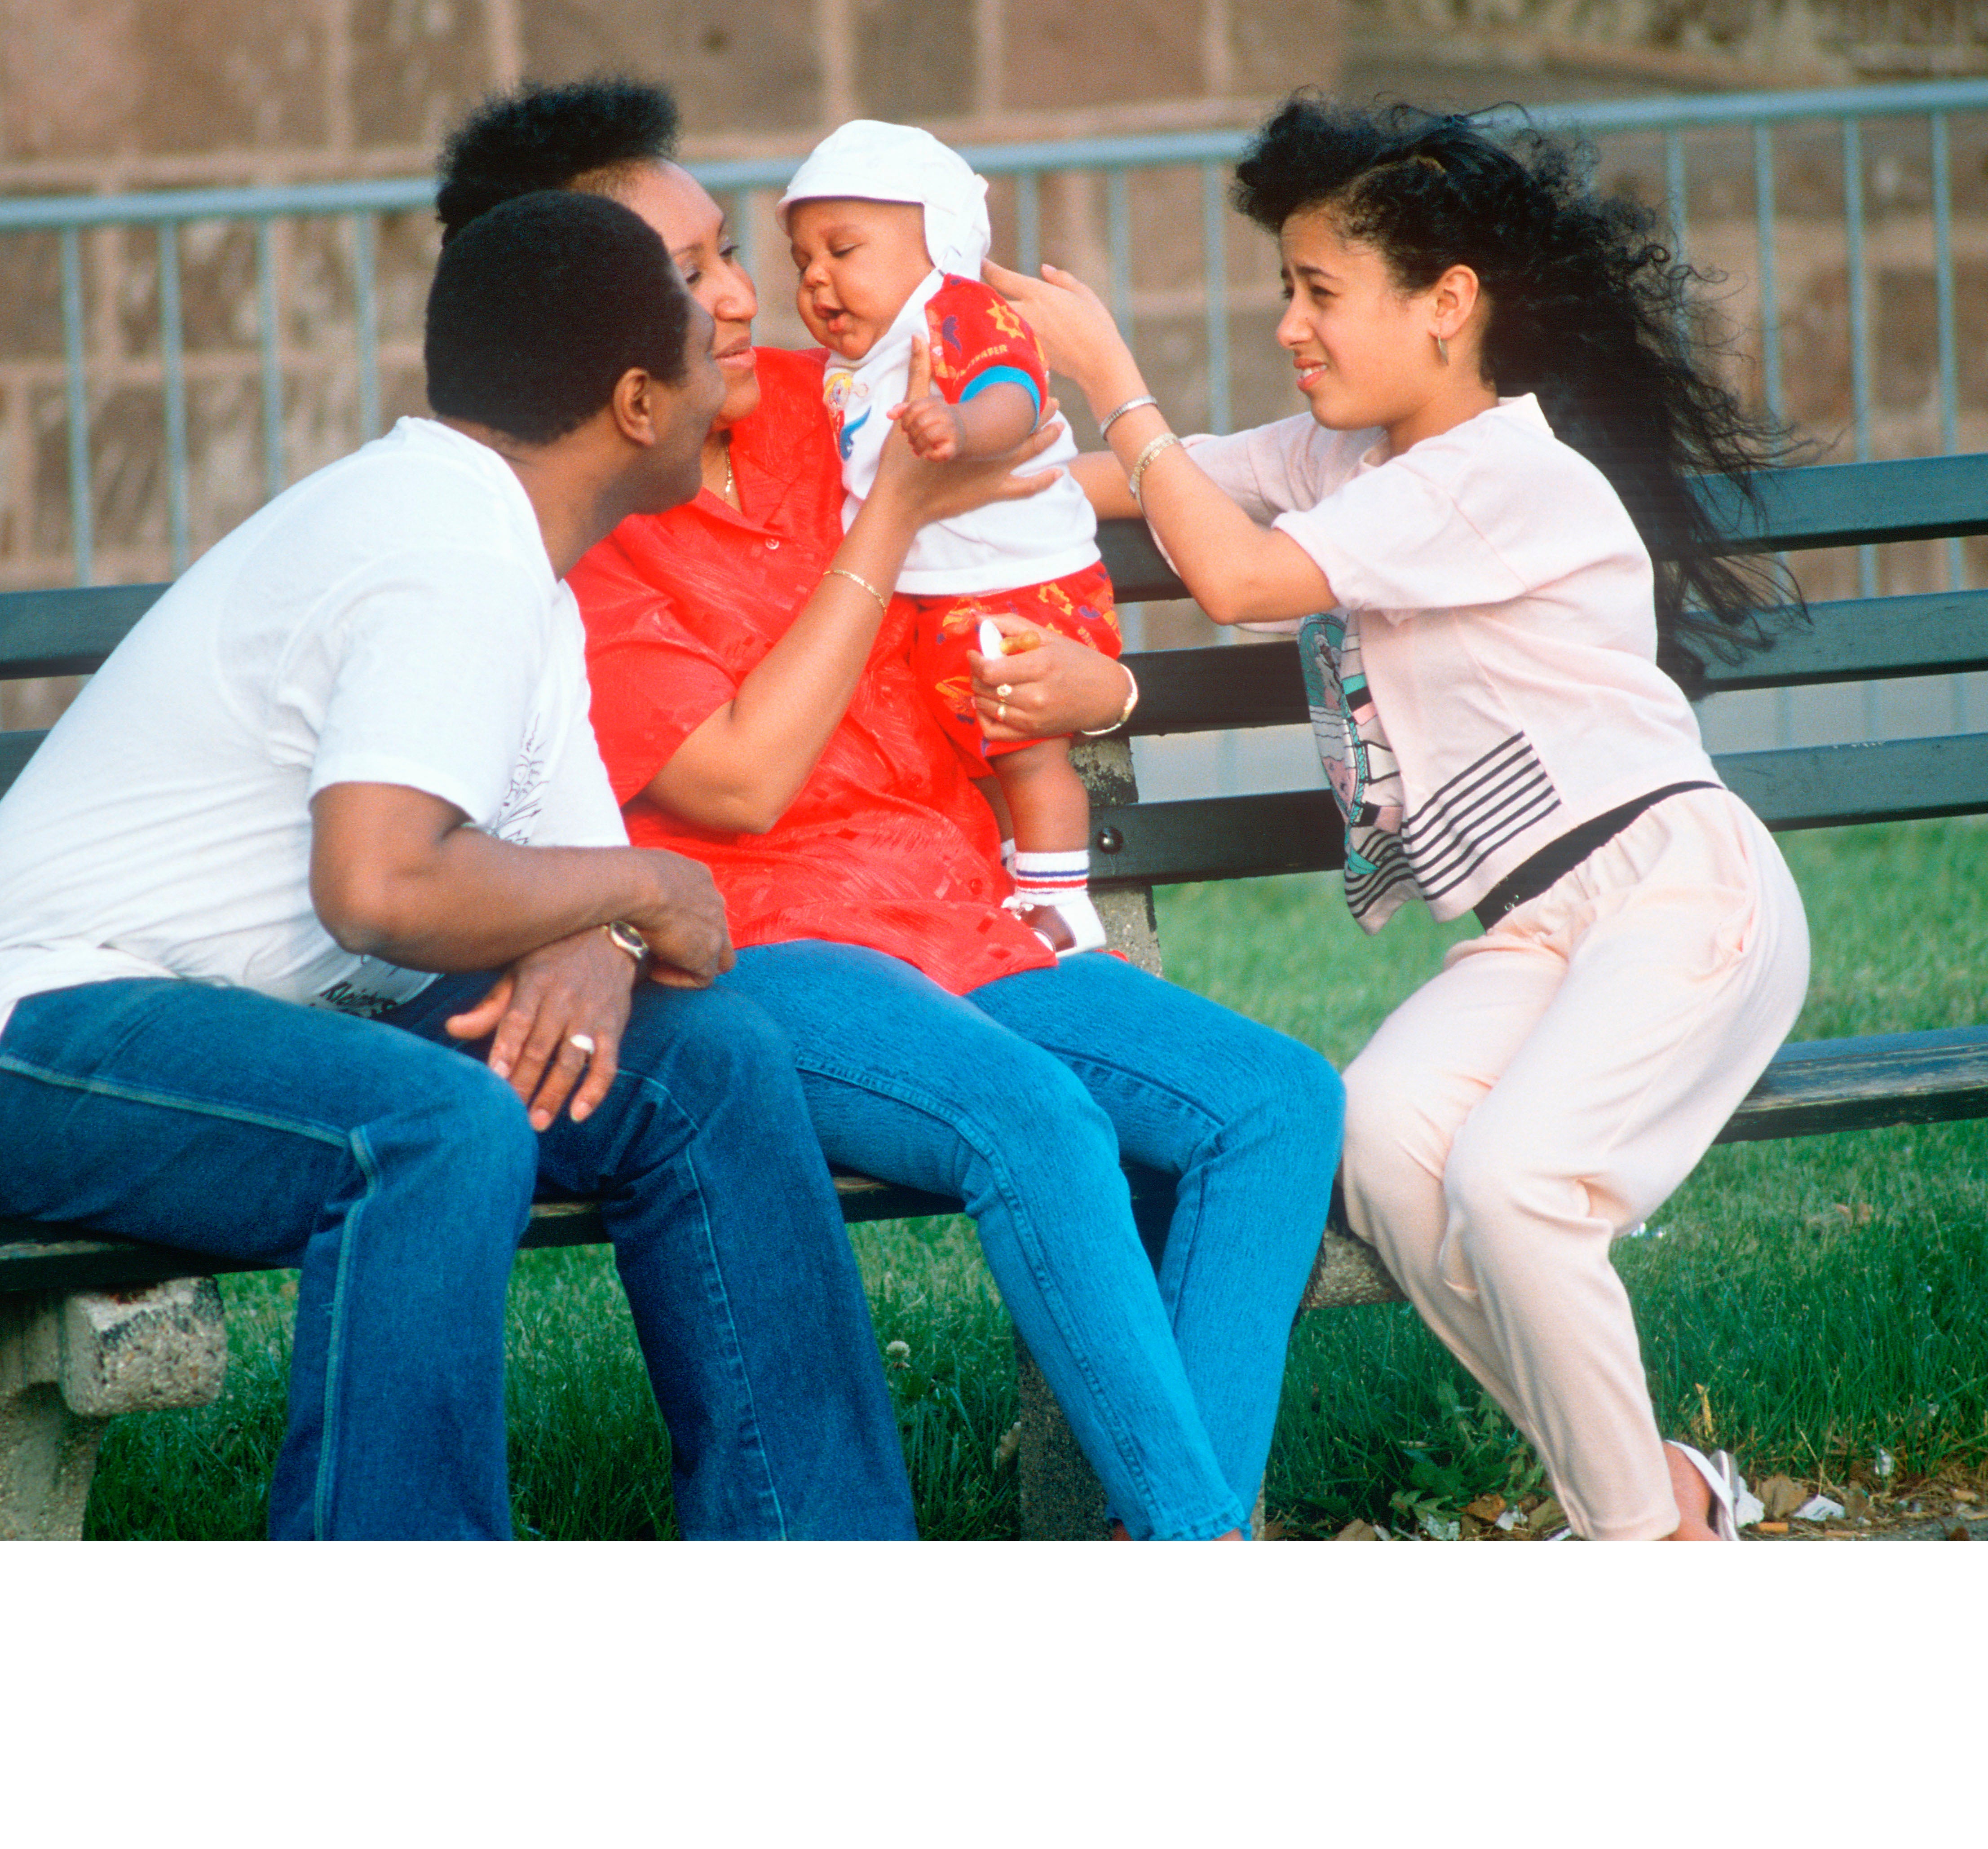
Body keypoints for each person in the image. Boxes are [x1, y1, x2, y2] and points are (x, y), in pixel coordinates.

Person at [0, 189, 917, 1541]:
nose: (733, 321)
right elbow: (381, 885)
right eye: (696, 321)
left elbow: (649, 933)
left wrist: (606, 931)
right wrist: (629, 891)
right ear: (632, 403)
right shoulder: (438, 549)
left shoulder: (521, 575)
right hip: (43, 1043)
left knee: (708, 1062)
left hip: (259, 1027)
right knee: (431, 1129)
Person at [435, 81, 1344, 1544]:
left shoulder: (845, 395)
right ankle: (1206, 1545)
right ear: (585, 330)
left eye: (735, 252)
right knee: (1037, 1120)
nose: (748, 299)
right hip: (770, 953)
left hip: (969, 923)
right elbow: (736, 783)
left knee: (1276, 1103)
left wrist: (1097, 686)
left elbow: (1037, 478)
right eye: (692, 275)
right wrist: (895, 515)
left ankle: (1174, 1529)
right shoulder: (578, 538)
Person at [990, 96, 1813, 1543]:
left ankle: (1645, 1543)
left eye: (1318, 291)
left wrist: (1113, 377)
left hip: (1673, 892)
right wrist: (922, 465)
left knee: (1508, 1182)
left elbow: (1236, 575)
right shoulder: (1344, 461)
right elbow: (1132, 489)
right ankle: (1667, 1499)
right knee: (1376, 1136)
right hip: (1532, 928)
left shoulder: (1502, 473)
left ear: (1446, 305)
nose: (1288, 325)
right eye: (1283, 289)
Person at [777, 119, 1120, 956]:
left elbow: (1017, 395)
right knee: (977, 759)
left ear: (934, 243)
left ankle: (1063, 904)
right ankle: (1018, 889)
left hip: (1021, 586)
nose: (818, 277)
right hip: (934, 598)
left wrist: (957, 426)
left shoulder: (956, 310)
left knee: (1026, 750)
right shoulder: (846, 368)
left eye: (843, 249)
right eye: (801, 261)